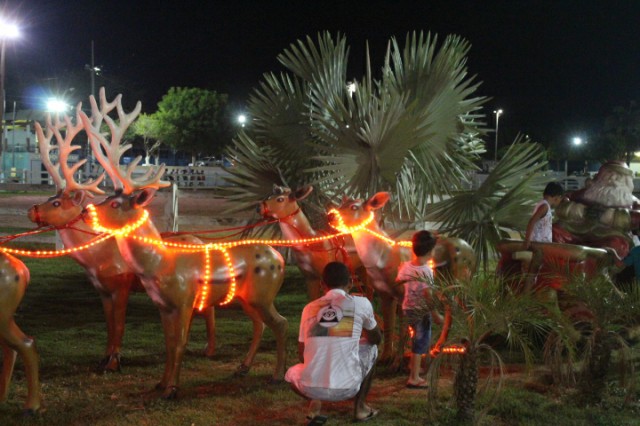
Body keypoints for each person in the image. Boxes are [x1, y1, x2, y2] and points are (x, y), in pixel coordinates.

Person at [285, 261, 382, 424]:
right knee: (372, 348)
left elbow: (302, 354)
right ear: (350, 282)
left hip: (310, 388)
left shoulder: (309, 309)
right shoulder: (361, 303)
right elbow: (376, 339)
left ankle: (315, 401)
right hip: (348, 387)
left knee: (291, 374)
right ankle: (360, 409)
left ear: (322, 284)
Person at [396, 230, 441, 389]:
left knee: (415, 340)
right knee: (420, 344)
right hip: (421, 312)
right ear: (430, 252)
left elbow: (399, 284)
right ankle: (414, 377)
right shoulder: (427, 271)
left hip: (407, 308)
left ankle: (413, 366)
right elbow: (428, 294)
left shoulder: (406, 266)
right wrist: (435, 314)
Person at [524, 181, 565, 248]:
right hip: (538, 245)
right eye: (560, 199)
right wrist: (527, 241)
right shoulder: (544, 206)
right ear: (557, 197)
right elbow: (532, 222)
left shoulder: (544, 205)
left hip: (542, 245)